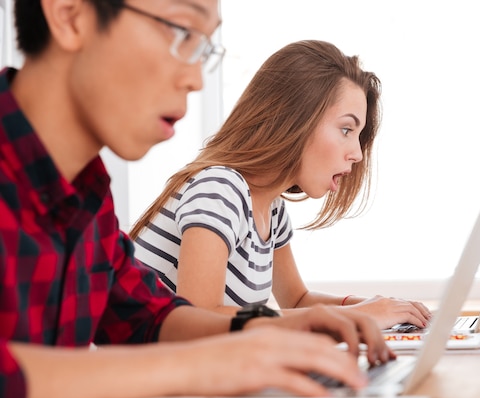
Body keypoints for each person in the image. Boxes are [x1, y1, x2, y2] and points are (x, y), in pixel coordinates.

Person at [0, 1, 395, 398]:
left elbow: (147, 316)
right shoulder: (218, 186)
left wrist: (270, 329)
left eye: (202, 48)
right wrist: (204, 364)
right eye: (180, 32)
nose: (195, 80)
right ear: (70, 15)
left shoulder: (86, 195)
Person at [129, 40, 432, 331]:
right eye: (345, 129)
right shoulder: (220, 188)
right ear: (295, 118)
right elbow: (198, 319)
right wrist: (358, 316)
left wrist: (378, 308)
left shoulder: (270, 207)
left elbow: (298, 300)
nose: (357, 153)